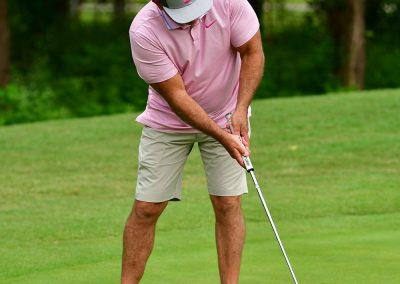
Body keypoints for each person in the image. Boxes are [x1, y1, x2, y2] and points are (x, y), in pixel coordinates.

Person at [121, 0, 264, 283]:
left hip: (227, 114)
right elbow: (178, 98)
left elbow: (253, 52)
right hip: (168, 123)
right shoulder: (143, 31)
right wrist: (222, 136)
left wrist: (240, 108)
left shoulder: (229, 2)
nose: (193, 20)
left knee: (228, 203)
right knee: (147, 207)